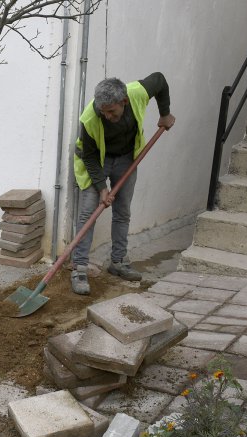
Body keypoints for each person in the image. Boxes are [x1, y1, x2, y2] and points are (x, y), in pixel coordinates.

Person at [70, 73, 175, 295]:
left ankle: (118, 261)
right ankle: (79, 267)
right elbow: (89, 156)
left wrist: (164, 114)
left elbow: (160, 80)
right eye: (103, 111)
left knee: (123, 211)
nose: (107, 116)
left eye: (112, 111)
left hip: (127, 158)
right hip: (96, 160)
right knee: (88, 214)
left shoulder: (137, 93)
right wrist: (102, 188)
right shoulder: (90, 117)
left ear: (124, 102)